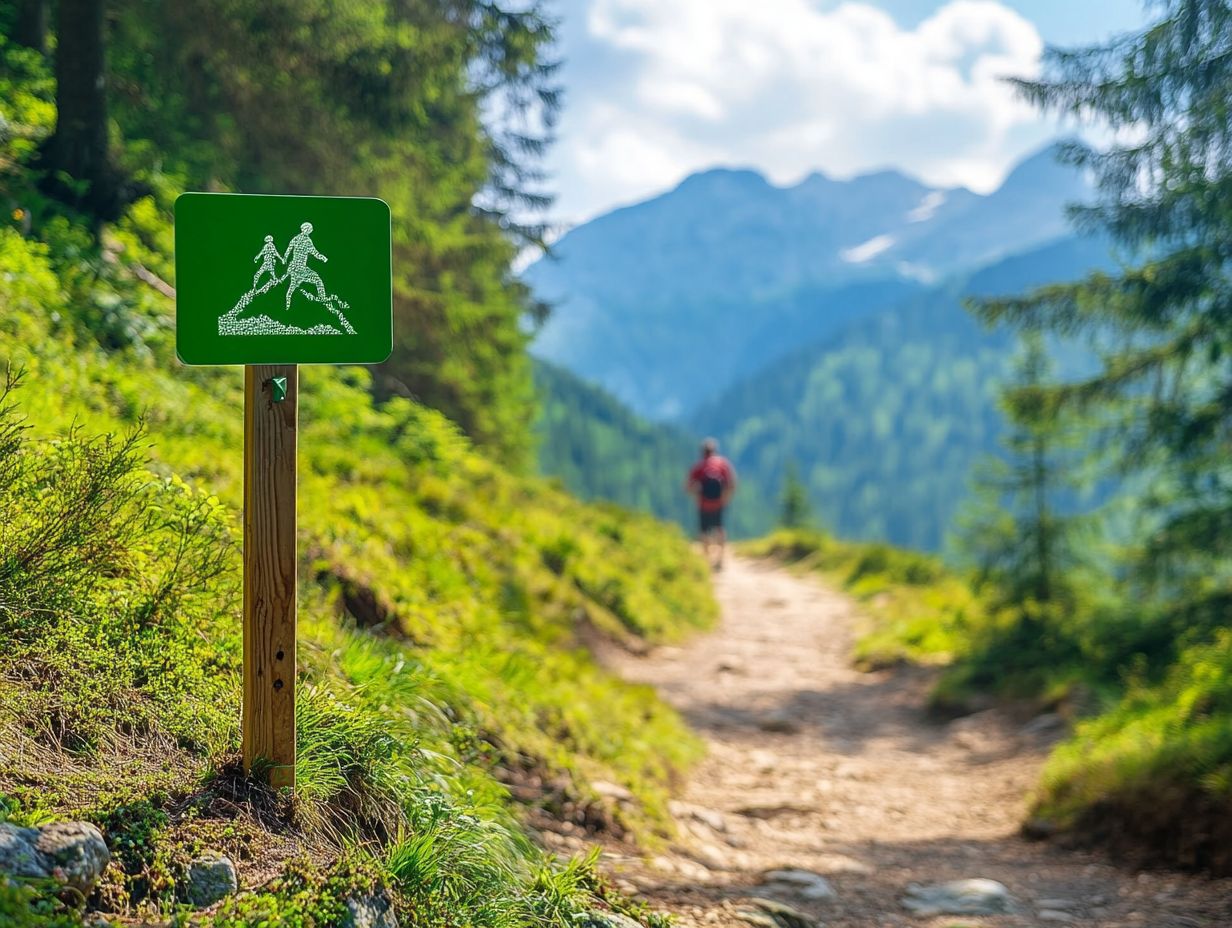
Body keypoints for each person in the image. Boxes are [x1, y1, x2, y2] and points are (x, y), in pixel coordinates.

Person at [686, 438, 736, 570]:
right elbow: (731, 484)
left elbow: (688, 487)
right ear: (715, 450)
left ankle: (706, 559)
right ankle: (720, 558)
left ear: (703, 452)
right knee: (720, 528)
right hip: (719, 503)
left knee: (704, 531)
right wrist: (725, 499)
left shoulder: (699, 466)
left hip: (703, 504)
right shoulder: (723, 464)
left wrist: (697, 494)